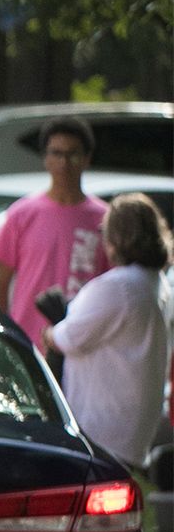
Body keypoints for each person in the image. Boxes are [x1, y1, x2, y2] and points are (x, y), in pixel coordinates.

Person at [46, 194, 173, 468]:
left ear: (117, 237)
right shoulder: (157, 283)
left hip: (101, 431)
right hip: (132, 429)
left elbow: (66, 339)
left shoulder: (118, 286)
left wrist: (50, 331)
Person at [0, 118, 108, 345]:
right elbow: (0, 288)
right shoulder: (22, 214)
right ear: (45, 158)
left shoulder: (104, 219)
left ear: (86, 159)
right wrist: (0, 339)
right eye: (56, 153)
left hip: (83, 346)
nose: (64, 163)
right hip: (28, 344)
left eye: (72, 154)